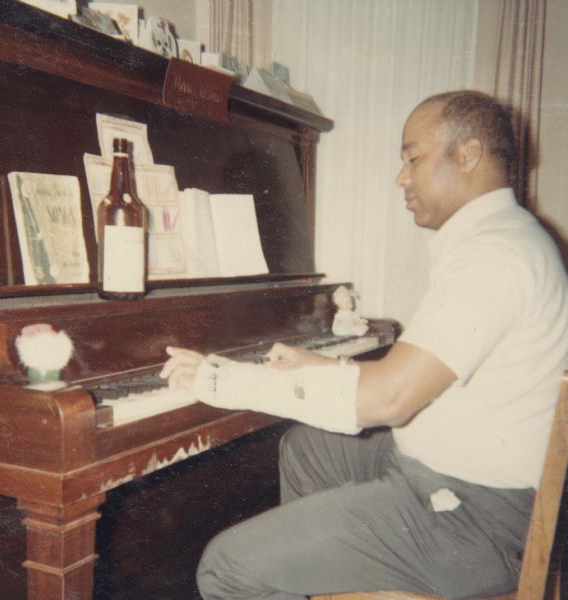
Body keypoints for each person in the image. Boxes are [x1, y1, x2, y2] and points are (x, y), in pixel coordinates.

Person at [160, 90, 568, 599]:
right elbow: (425, 373)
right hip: (457, 480)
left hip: (478, 520)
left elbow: (390, 400)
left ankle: (328, 574)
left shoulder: (496, 256)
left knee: (227, 567)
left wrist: (220, 378)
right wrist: (317, 369)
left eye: (412, 159)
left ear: (467, 154)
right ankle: (334, 576)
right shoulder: (503, 238)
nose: (401, 177)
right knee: (311, 449)